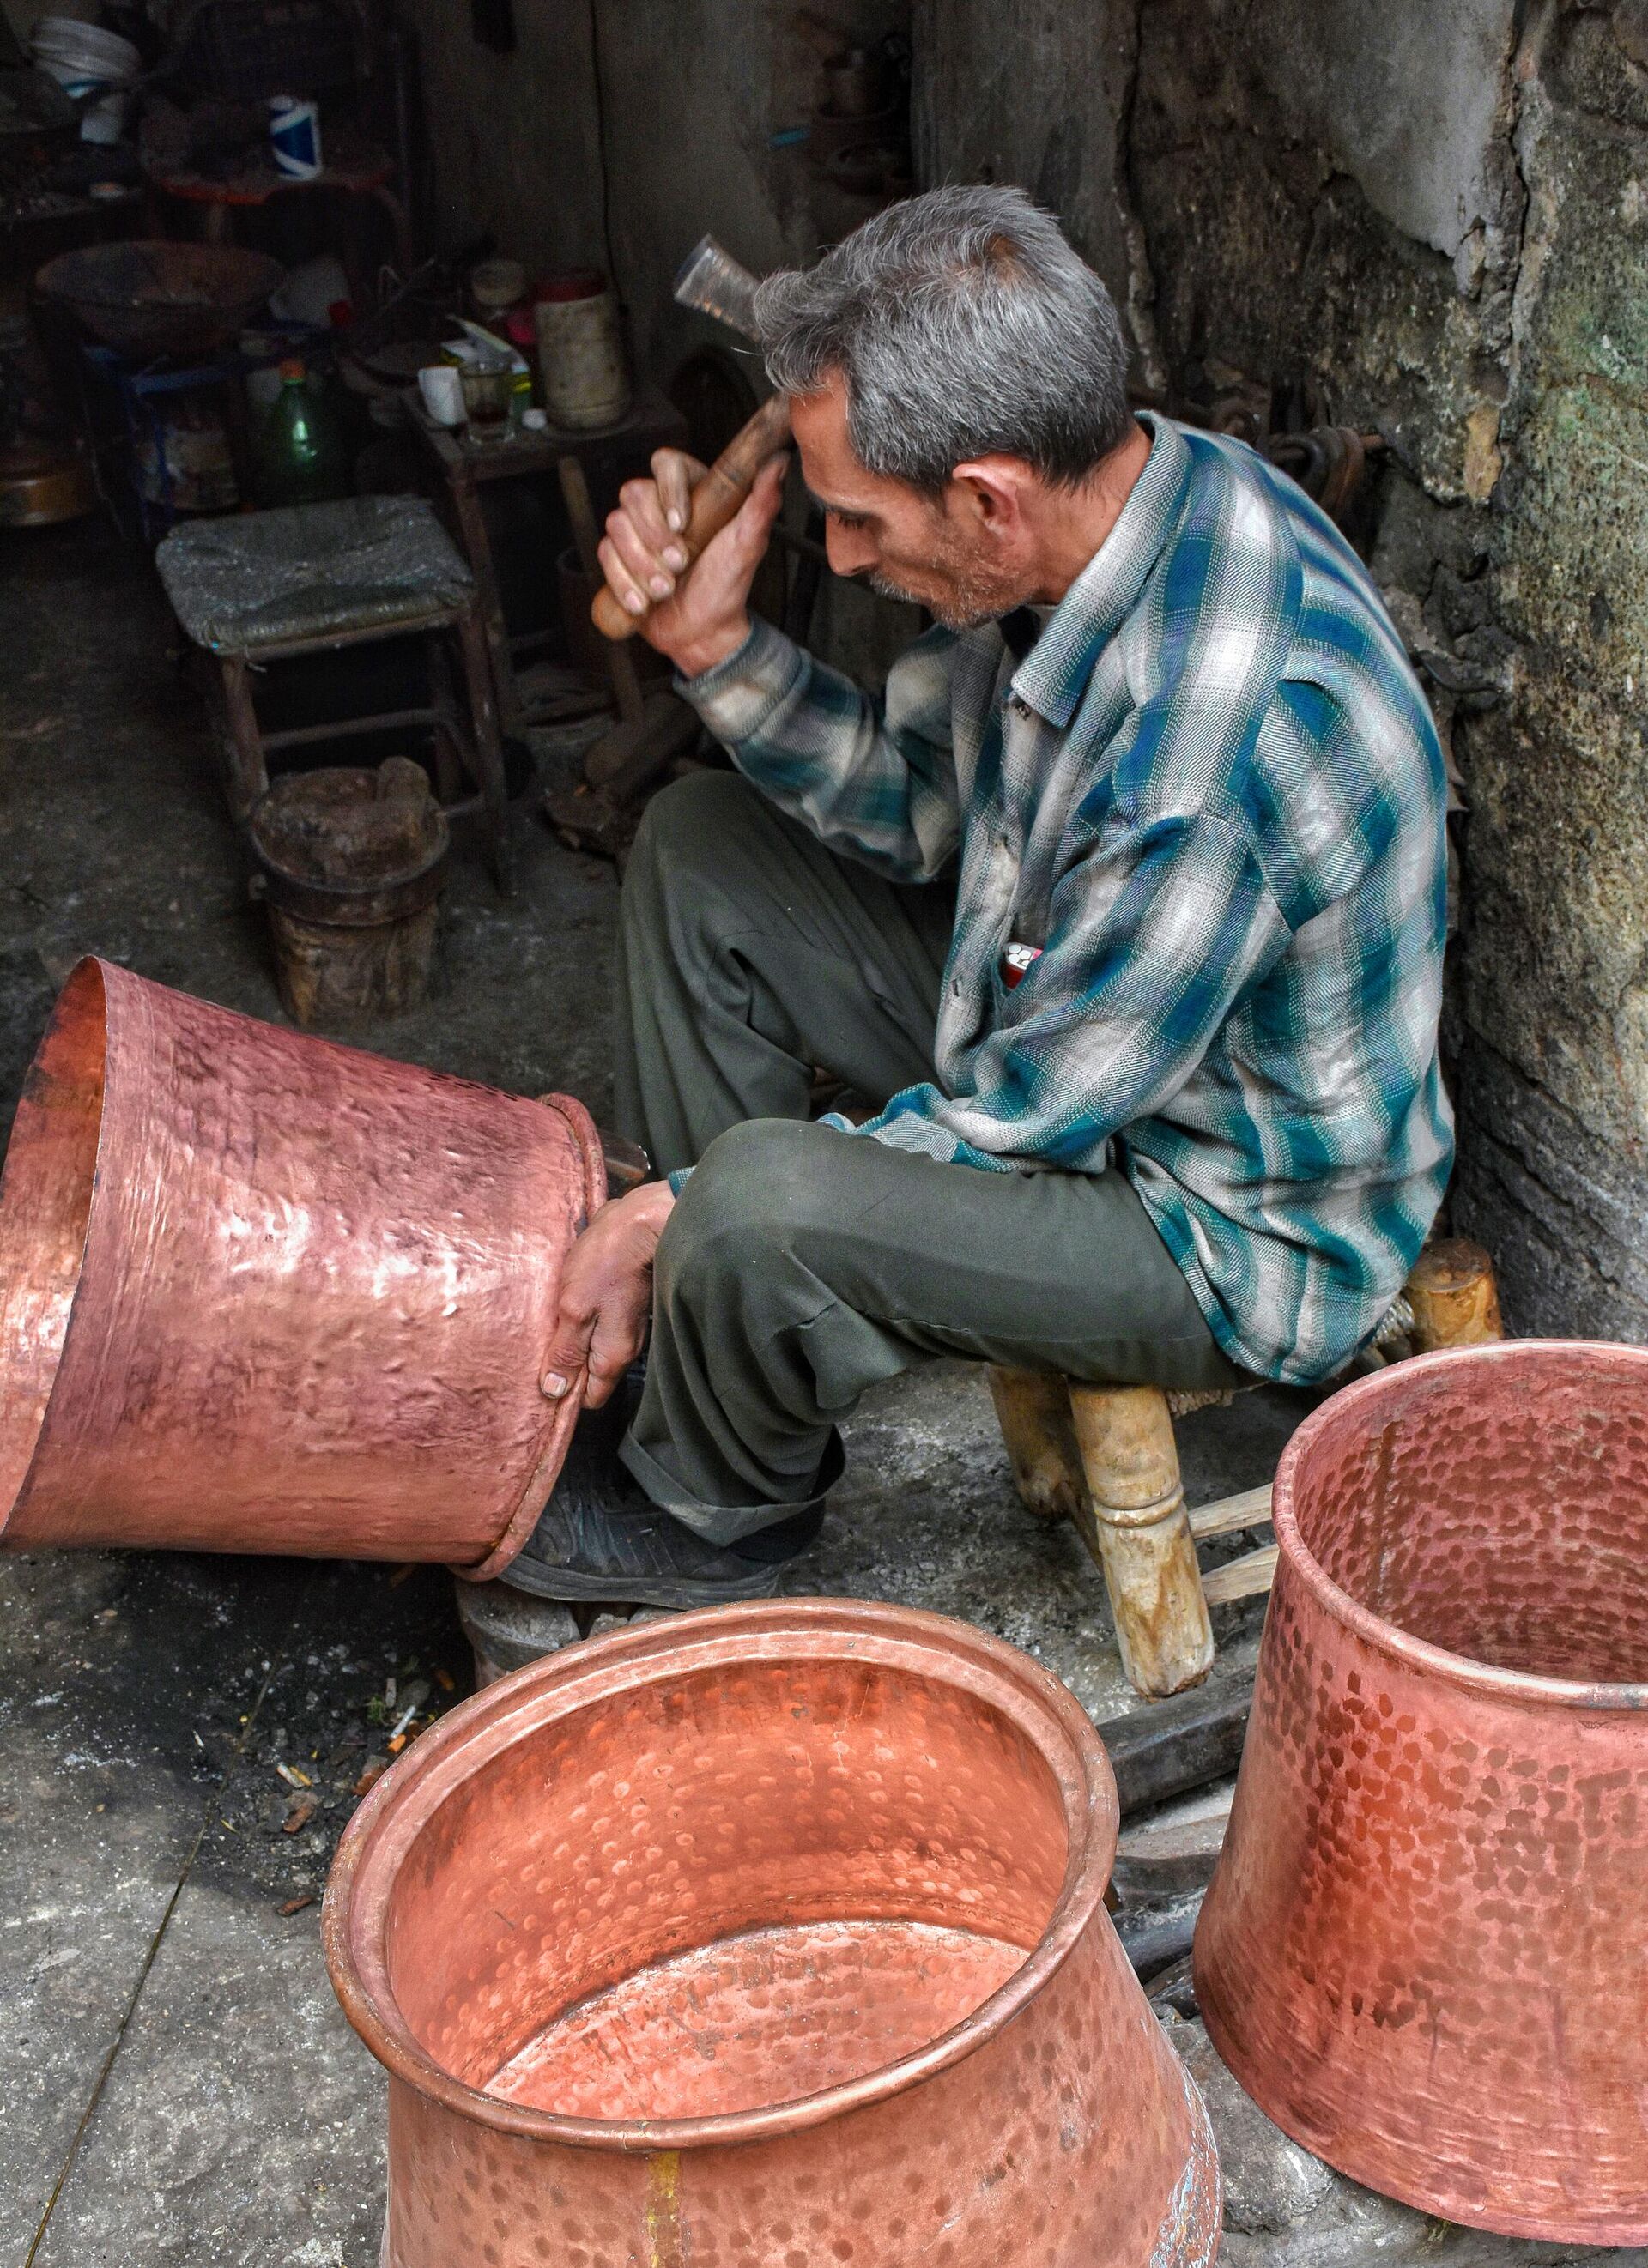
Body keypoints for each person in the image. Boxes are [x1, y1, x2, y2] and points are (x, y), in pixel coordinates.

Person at [500, 184, 1454, 1611]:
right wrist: (714, 651)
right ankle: (716, 1351)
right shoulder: (1097, 510)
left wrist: (694, 1206)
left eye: (859, 522)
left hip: (1215, 1221)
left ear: (988, 499)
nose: (840, 558)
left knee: (756, 1200)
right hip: (1078, 1042)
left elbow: (1030, 1118)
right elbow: (920, 814)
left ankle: (721, 1510)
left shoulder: (1216, 742)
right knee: (701, 844)